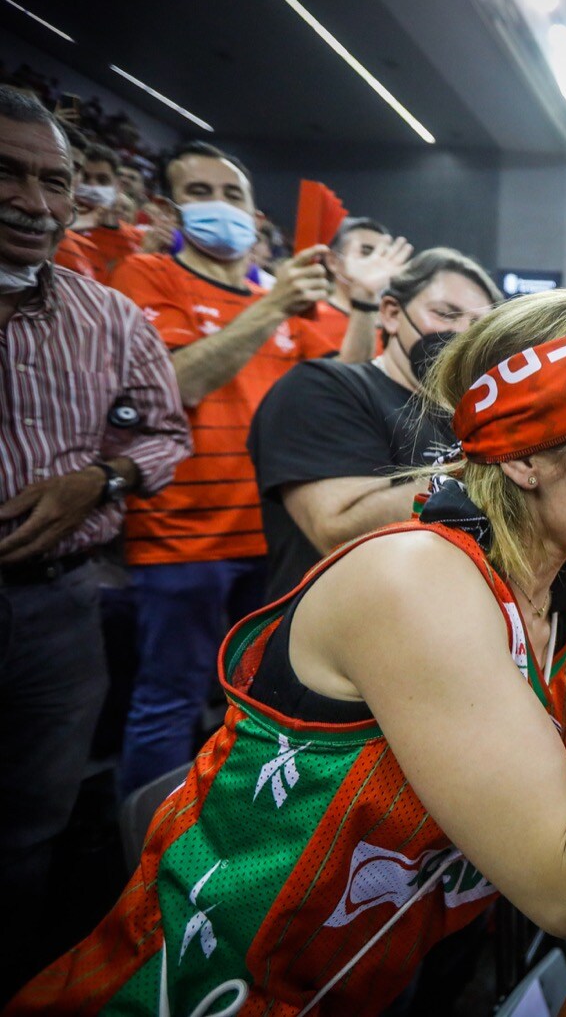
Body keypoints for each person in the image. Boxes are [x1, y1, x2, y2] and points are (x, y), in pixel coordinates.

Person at [13, 293, 566, 1017]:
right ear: (525, 462)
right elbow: (564, 884)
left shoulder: (558, 589)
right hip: (187, 990)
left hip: (349, 984)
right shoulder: (419, 582)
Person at [0, 85, 191, 1001]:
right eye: (8, 173)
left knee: (31, 826)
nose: (33, 202)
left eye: (55, 181)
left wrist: (101, 477)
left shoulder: (109, 317)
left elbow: (164, 432)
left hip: (56, 604)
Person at [108, 141, 347, 797]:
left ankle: (230, 827)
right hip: (182, 535)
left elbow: (339, 385)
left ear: (255, 211)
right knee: (170, 699)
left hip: (274, 533)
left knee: (263, 699)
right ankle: (146, 852)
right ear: (167, 208)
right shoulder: (146, 277)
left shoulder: (287, 299)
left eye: (233, 193)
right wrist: (271, 307)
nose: (220, 206)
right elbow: (176, 382)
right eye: (200, 192)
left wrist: (355, 302)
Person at [248, 247, 496, 600]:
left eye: (476, 327)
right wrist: (485, 467)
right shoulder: (320, 388)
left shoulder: (464, 417)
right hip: (338, 634)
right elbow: (336, 533)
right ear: (392, 314)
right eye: (445, 314)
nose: (461, 335)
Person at [308, 216, 415, 361]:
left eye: (383, 254)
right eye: (366, 252)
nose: (376, 262)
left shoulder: (396, 325)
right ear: (332, 261)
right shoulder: (309, 317)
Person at [65, 142, 140, 283]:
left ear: (117, 186)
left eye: (102, 180)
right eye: (86, 178)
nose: (93, 187)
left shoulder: (137, 240)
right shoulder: (56, 224)